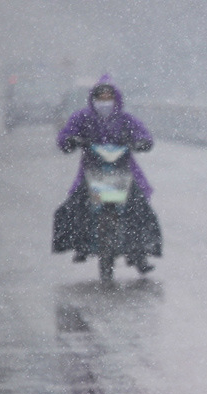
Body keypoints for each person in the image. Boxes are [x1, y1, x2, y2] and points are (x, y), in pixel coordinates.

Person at [52, 75, 161, 273]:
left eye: (108, 98)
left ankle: (139, 253)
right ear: (93, 99)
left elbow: (143, 134)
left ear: (116, 99)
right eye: (100, 98)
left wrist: (142, 142)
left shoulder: (126, 120)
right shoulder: (82, 118)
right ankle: (81, 244)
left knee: (139, 208)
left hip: (124, 172)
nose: (104, 102)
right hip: (91, 171)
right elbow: (66, 134)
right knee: (76, 206)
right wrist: (69, 140)